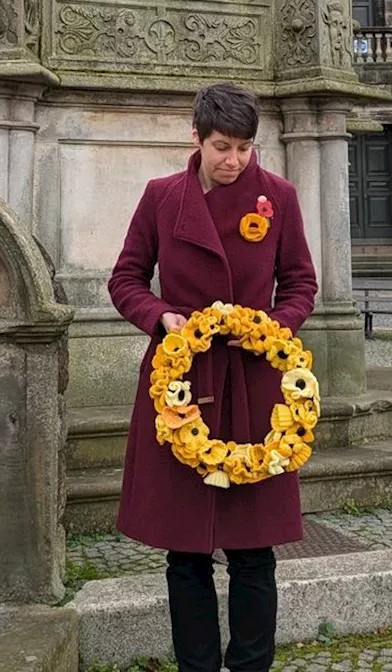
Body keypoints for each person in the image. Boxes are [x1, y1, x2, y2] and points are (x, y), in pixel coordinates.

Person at [107, 82, 319, 671]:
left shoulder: (277, 198)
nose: (234, 161)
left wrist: (272, 329)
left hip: (255, 387)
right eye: (222, 147)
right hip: (180, 386)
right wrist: (161, 317)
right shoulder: (161, 197)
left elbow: (301, 282)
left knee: (254, 551)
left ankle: (250, 667)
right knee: (186, 552)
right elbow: (125, 279)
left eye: (245, 148)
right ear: (196, 137)